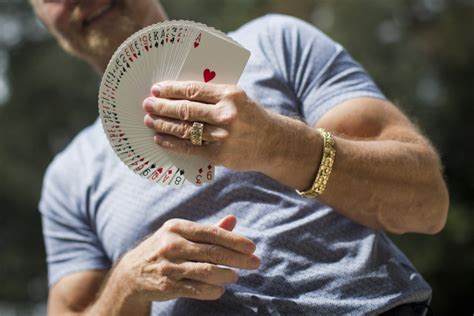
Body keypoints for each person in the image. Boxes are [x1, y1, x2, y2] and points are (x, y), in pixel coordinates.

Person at [31, 0, 449, 315]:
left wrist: (277, 144)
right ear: (43, 20)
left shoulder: (276, 42)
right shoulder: (69, 177)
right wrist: (126, 284)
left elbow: (427, 204)